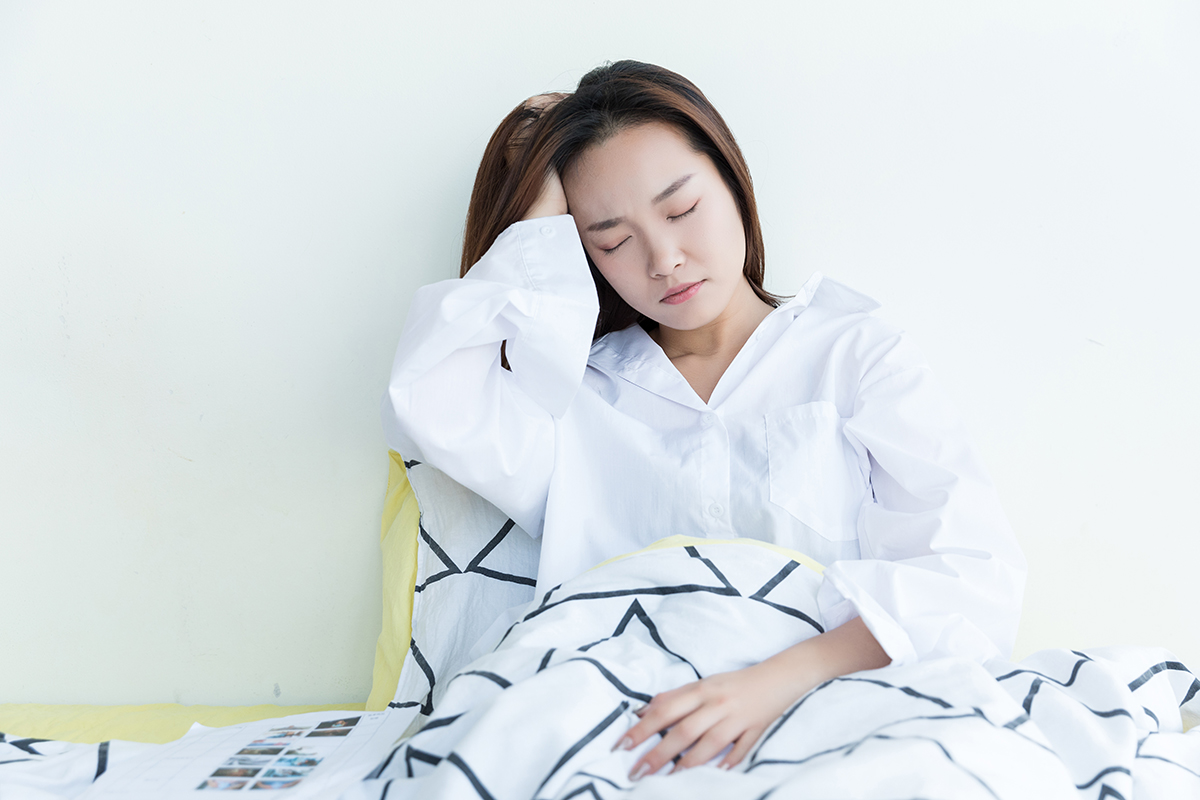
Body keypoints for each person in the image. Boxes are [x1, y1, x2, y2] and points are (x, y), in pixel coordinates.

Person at [381, 60, 1026, 781]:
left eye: (682, 209)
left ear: (732, 181)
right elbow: (432, 401)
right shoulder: (573, 393)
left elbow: (968, 575)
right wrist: (536, 214)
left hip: (830, 702)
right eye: (611, 240)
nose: (664, 260)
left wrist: (771, 684)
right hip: (622, 722)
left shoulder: (852, 354)